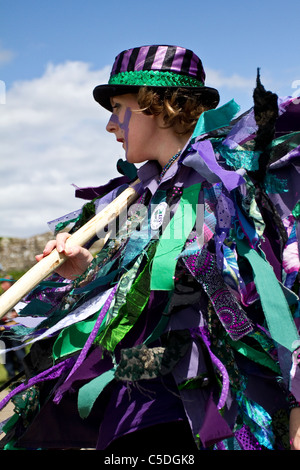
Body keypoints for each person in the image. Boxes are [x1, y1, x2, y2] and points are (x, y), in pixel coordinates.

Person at [0, 44, 300, 451]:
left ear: (155, 105)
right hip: (134, 405)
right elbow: (137, 293)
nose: (110, 124)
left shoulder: (232, 183)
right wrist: (86, 269)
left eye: (117, 106)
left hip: (212, 408)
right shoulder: (136, 200)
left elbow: (281, 287)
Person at [0, 275, 25, 380]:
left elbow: (23, 310)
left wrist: (15, 314)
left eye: (5, 282)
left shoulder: (19, 297)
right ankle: (11, 378)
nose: (3, 285)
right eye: (2, 283)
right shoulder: (1, 298)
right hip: (2, 331)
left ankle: (23, 375)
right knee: (5, 356)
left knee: (20, 354)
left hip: (15, 329)